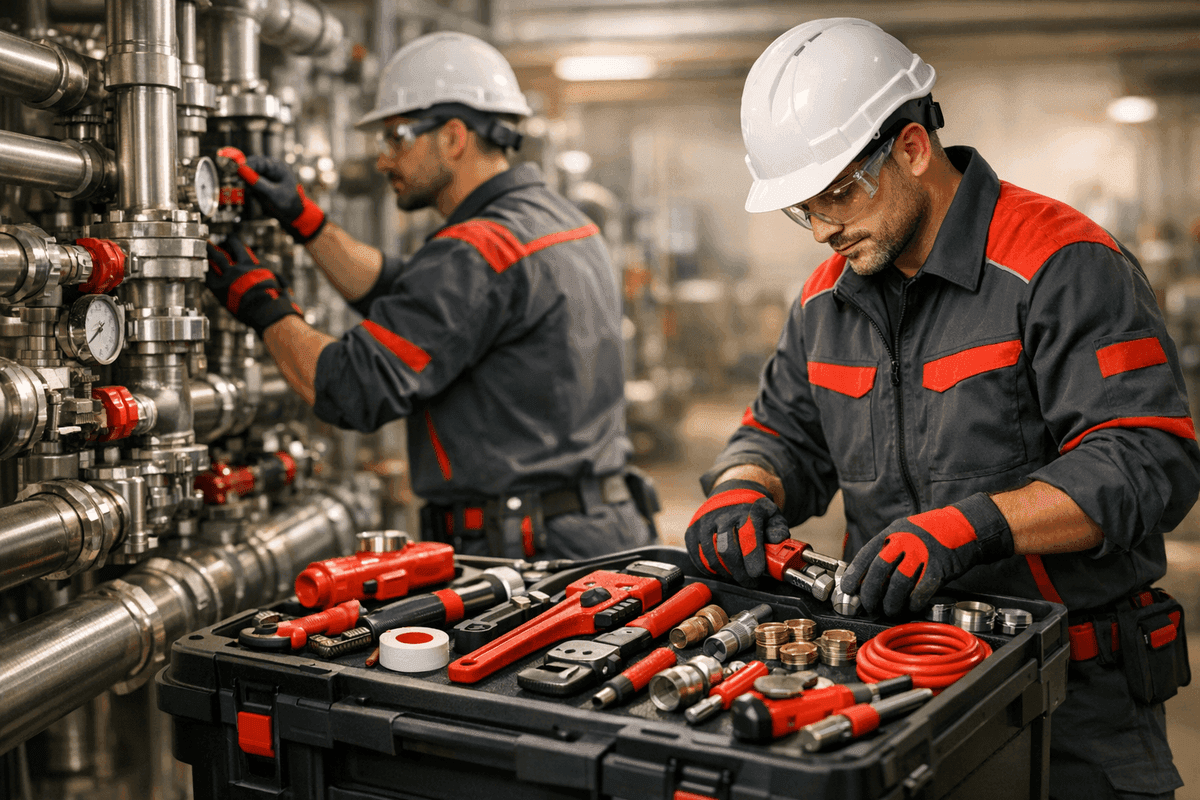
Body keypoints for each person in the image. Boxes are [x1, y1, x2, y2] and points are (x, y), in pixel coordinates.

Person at [685, 18, 1197, 799]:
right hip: (897, 680)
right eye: (804, 210)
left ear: (913, 149)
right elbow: (782, 431)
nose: (823, 231)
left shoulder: (1060, 264)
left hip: (1071, 699)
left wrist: (975, 526)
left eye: (834, 196)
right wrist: (742, 489)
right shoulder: (826, 301)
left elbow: (1146, 458)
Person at [204, 31, 657, 560]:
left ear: (454, 137)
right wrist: (305, 220)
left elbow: (351, 386)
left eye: (396, 136)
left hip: (530, 552)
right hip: (598, 526)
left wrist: (261, 303)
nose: (382, 160)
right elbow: (404, 290)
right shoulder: (560, 223)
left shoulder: (476, 250)